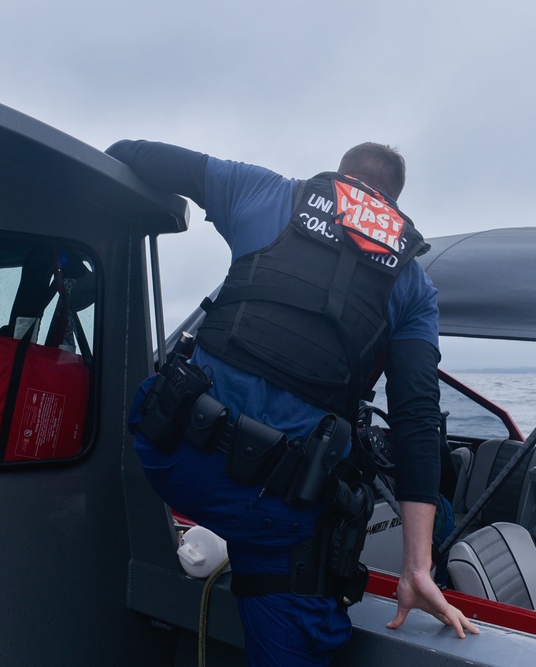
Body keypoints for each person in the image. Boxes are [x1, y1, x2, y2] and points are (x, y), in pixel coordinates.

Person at [109, 139, 478, 666]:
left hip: (167, 455)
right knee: (309, 564)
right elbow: (416, 417)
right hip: (270, 506)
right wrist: (416, 567)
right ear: (393, 203)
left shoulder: (263, 191)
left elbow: (136, 153)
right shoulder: (413, 286)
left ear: (339, 176)